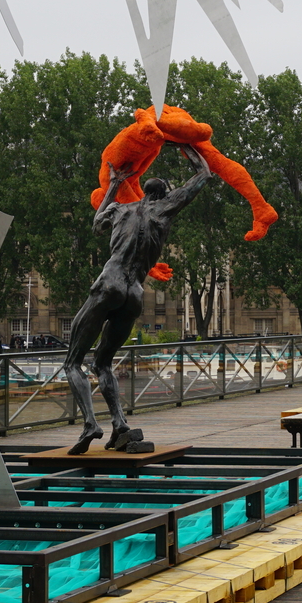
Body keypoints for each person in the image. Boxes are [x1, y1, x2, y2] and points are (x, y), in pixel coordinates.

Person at [61, 145, 211, 455]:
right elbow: (204, 175)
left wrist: (114, 184)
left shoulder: (120, 209)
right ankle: (119, 423)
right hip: (134, 293)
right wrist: (186, 145)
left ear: (142, 191)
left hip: (109, 283)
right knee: (102, 362)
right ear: (165, 194)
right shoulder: (165, 210)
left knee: (73, 362)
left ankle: (91, 422)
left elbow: (96, 223)